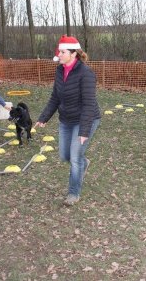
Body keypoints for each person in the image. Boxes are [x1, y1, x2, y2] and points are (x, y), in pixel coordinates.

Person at [35, 35, 101, 206]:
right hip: (66, 119)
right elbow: (55, 97)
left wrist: (84, 131)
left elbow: (89, 104)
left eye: (62, 52)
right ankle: (83, 162)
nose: (59, 55)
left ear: (73, 54)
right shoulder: (60, 71)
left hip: (85, 119)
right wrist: (44, 117)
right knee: (65, 155)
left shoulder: (86, 74)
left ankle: (73, 193)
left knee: (74, 157)